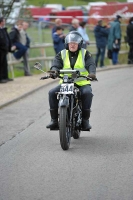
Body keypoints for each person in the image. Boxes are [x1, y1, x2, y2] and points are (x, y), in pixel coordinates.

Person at [46, 31, 96, 131]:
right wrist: (54, 72)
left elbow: (91, 64)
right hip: (66, 83)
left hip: (82, 82)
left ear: (79, 44)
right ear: (67, 44)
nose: (72, 45)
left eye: (74, 43)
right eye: (70, 43)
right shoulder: (62, 54)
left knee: (87, 93)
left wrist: (92, 73)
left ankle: (85, 121)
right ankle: (54, 120)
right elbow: (56, 64)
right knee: (52, 93)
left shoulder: (85, 53)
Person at [0, 17, 15, 83]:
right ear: (1, 22)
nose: (5, 22)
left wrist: (9, 47)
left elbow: (7, 39)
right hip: (1, 49)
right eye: (4, 21)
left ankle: (5, 77)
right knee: (1, 64)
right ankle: (1, 78)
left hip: (4, 49)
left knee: (4, 64)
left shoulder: (3, 29)